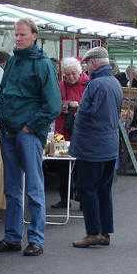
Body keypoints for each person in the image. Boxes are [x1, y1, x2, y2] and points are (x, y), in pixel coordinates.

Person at [0, 18, 61, 257]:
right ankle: (12, 237)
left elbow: (53, 105)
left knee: (33, 187)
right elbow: (5, 93)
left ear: (34, 36)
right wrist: (1, 116)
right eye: (16, 35)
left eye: (22, 35)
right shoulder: (12, 62)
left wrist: (31, 127)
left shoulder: (42, 65)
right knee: (11, 188)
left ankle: (36, 239)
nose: (17, 38)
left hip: (27, 132)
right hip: (9, 130)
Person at [69, 47, 123, 248]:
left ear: (93, 63)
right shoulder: (114, 82)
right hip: (108, 145)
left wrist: (78, 114)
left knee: (87, 188)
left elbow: (89, 114)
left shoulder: (96, 84)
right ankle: (105, 231)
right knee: (103, 190)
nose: (86, 68)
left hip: (93, 147)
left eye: (87, 64)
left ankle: (93, 232)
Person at [53, 57, 89, 208]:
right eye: (67, 75)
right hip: (61, 131)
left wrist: (78, 106)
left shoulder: (88, 84)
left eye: (73, 73)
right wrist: (66, 105)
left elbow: (91, 106)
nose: (70, 77)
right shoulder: (60, 85)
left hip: (82, 131)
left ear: (79, 72)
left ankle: (83, 199)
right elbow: (54, 105)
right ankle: (64, 199)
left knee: (82, 166)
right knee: (62, 165)